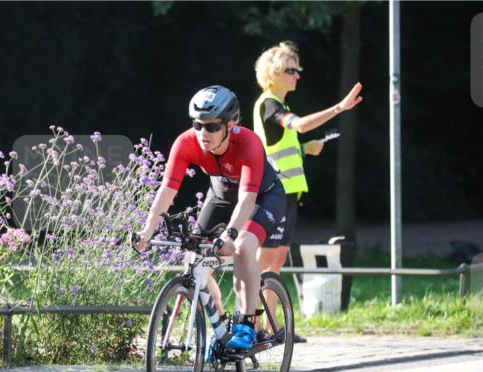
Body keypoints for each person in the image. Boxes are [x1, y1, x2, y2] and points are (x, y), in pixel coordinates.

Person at [135, 85, 285, 351]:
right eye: (198, 125)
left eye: (213, 127)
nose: (204, 133)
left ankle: (247, 325)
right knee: (194, 262)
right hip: (220, 194)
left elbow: (247, 199)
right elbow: (168, 189)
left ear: (231, 124)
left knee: (242, 247)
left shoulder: (248, 142)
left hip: (263, 197)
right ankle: (222, 326)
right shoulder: (187, 142)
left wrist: (230, 233)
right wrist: (148, 229)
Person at [252, 41, 363, 342]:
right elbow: (299, 125)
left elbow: (279, 145)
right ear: (273, 73)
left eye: (298, 70)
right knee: (265, 263)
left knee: (276, 263)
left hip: (287, 195)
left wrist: (304, 149)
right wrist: (340, 108)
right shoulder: (269, 104)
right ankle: (251, 326)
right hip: (274, 195)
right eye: (291, 70)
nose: (297, 75)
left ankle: (272, 328)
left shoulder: (279, 105)